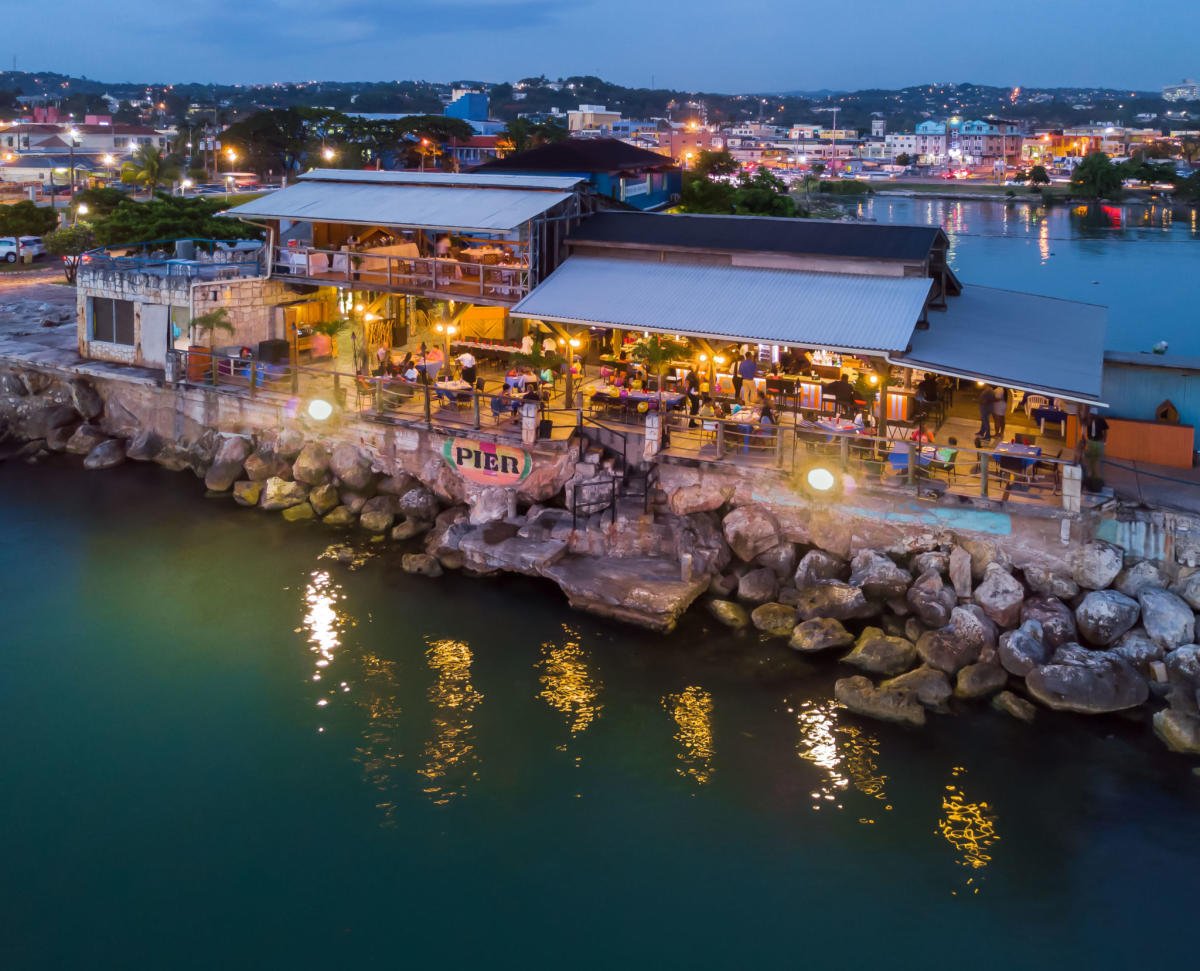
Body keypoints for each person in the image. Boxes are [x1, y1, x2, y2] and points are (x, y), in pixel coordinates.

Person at [1081, 411, 1110, 487]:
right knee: (1090, 461)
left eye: (1092, 414)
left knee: (1096, 461)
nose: (1091, 415)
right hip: (1090, 441)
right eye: (1091, 414)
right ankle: (1091, 477)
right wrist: (1083, 437)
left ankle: (1096, 479)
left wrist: (1104, 441)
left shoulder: (1100, 419)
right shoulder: (1088, 419)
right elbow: (1083, 426)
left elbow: (1105, 430)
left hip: (1098, 441)